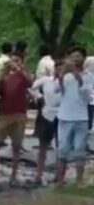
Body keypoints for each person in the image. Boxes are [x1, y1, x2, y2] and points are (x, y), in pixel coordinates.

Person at [0, 50, 32, 188]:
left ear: (22, 63)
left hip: (19, 115)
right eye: (12, 61)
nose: (14, 64)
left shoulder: (23, 76)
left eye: (17, 61)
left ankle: (13, 177)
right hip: (5, 115)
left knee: (16, 147)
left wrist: (19, 70)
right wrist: (1, 75)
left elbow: (30, 82)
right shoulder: (5, 76)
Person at [56, 50, 91, 186]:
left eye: (78, 56)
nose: (75, 59)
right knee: (63, 149)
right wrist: (61, 74)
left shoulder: (88, 76)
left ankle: (79, 181)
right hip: (65, 117)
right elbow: (57, 91)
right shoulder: (66, 76)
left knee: (79, 150)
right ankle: (60, 180)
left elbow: (87, 98)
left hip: (81, 118)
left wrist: (78, 77)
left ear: (84, 58)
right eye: (73, 56)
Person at [32, 58, 63, 186]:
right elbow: (32, 87)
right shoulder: (46, 80)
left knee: (60, 147)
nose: (59, 71)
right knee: (43, 146)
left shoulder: (68, 83)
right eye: (57, 68)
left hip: (62, 116)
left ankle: (59, 175)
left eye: (62, 69)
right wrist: (39, 97)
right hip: (47, 115)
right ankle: (38, 174)